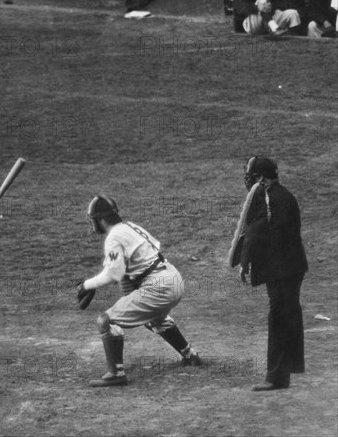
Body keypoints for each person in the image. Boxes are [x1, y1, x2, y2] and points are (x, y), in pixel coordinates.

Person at [76, 195, 201, 387]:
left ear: (99, 219)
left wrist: (87, 285)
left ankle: (116, 373)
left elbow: (113, 274)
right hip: (173, 278)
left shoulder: (114, 237)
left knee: (106, 320)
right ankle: (189, 354)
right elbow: (126, 273)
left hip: (158, 286)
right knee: (154, 318)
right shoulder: (131, 227)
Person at [229, 157, 307, 391]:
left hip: (282, 270)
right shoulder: (281, 195)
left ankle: (276, 378)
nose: (249, 180)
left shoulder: (270, 199)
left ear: (261, 178)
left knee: (280, 319)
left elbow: (257, 232)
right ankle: (286, 370)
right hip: (289, 268)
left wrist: (245, 261)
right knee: (287, 316)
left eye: (252, 176)